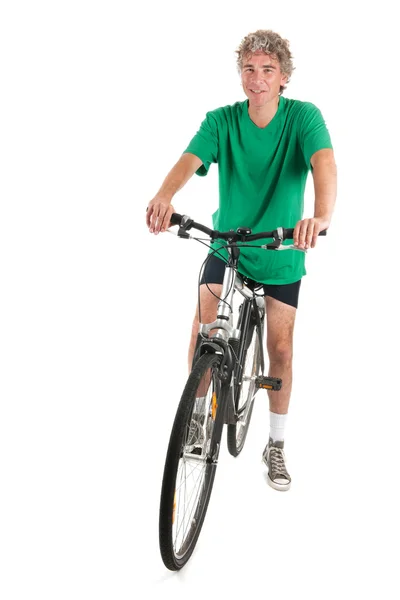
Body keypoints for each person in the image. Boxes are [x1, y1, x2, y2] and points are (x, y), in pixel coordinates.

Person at [146, 29, 337, 491]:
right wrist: (163, 196)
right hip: (226, 245)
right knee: (202, 326)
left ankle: (275, 444)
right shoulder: (222, 121)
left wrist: (321, 216)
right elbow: (189, 159)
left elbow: (324, 163)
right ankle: (197, 413)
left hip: (280, 251)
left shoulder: (303, 118)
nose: (257, 79)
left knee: (282, 349)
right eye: (249, 69)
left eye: (267, 70)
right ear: (240, 75)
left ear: (284, 78)